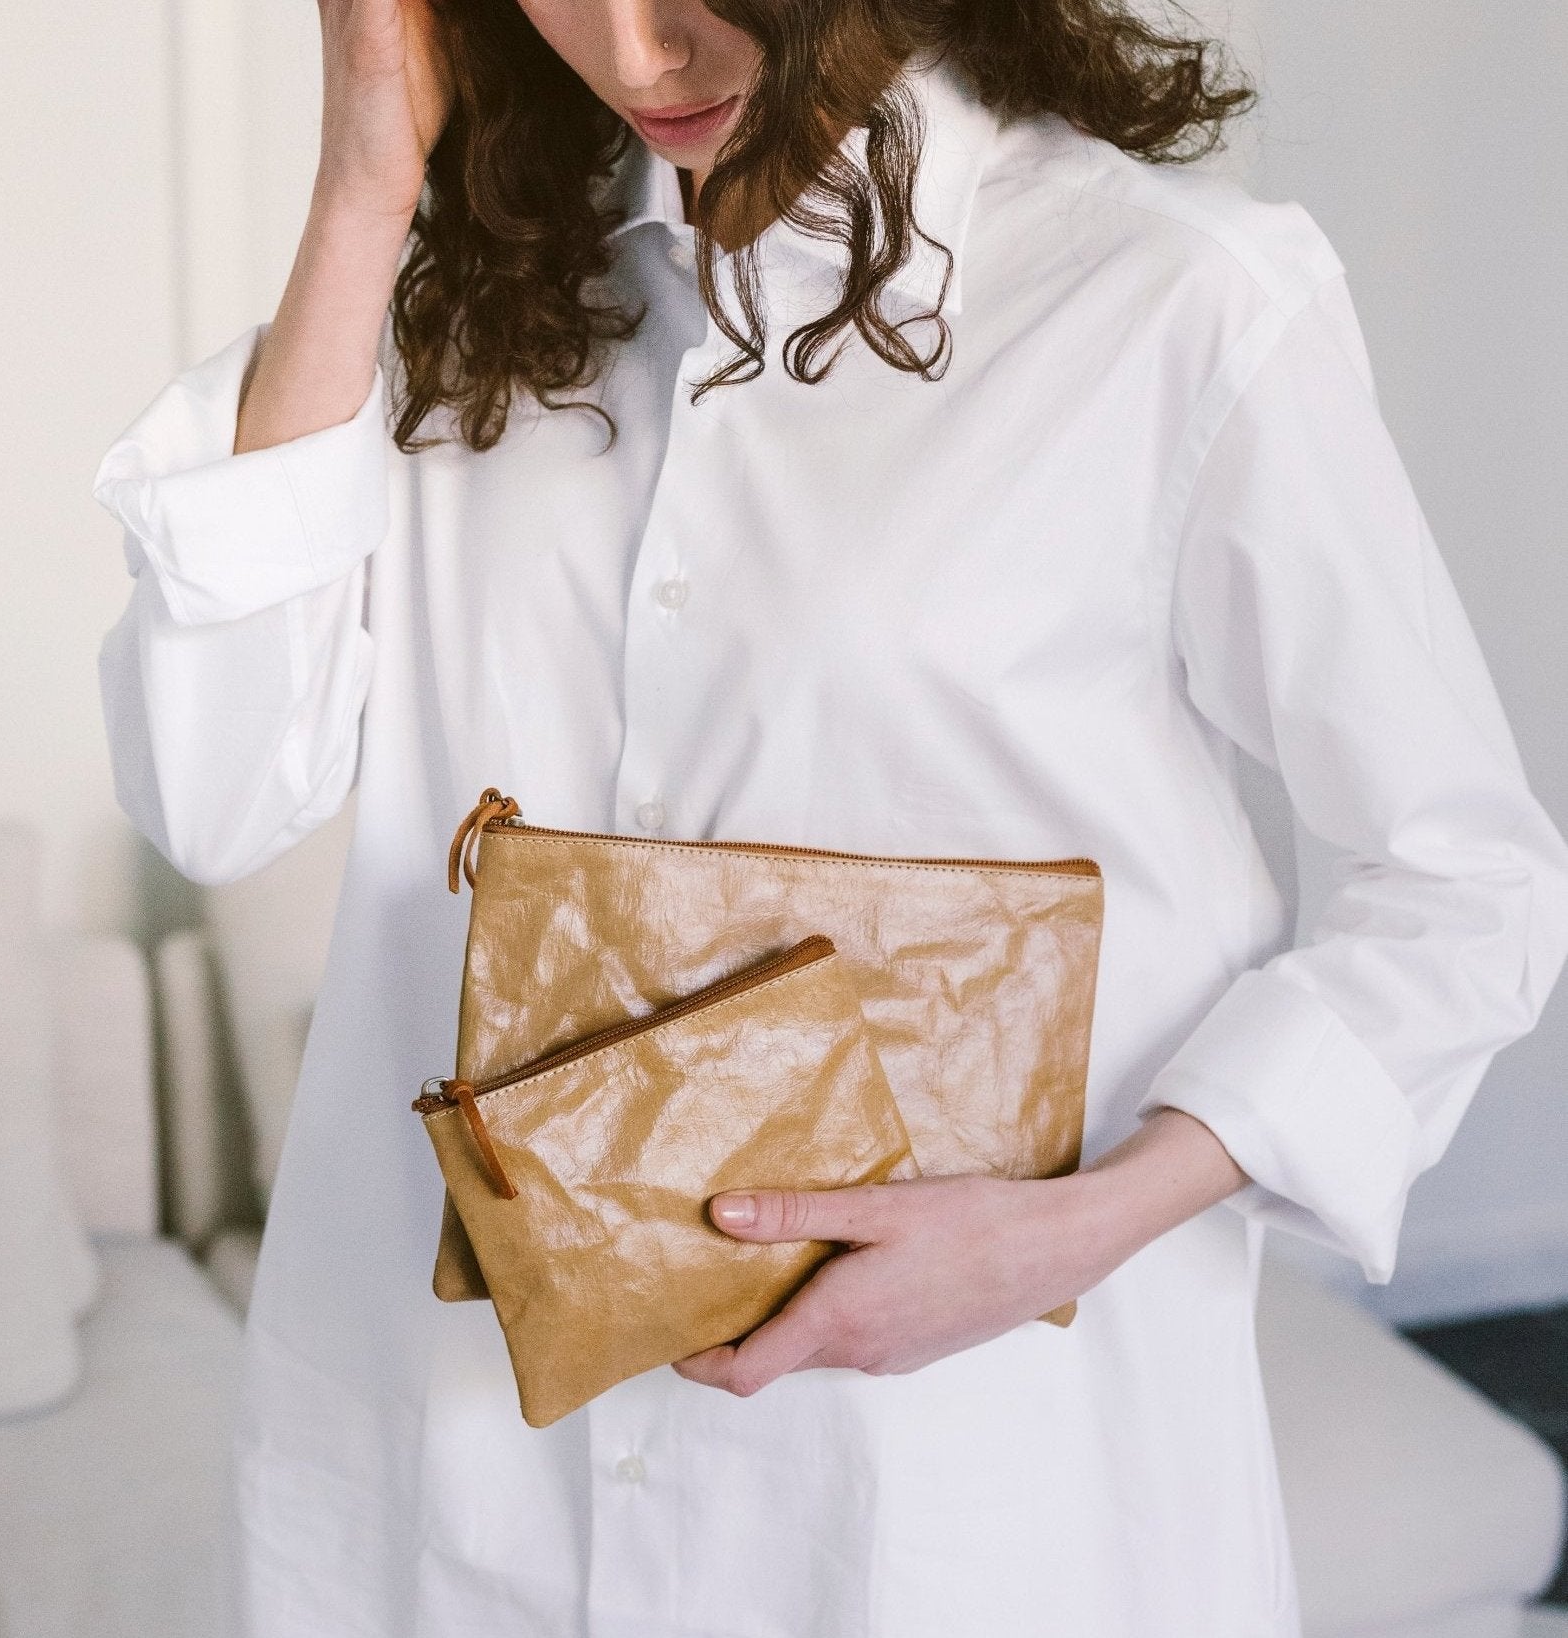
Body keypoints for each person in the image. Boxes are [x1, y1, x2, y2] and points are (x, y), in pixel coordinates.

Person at [90, 0, 1568, 1631]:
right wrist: (364, 179)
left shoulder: (1172, 300)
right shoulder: (455, 316)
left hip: (944, 1497)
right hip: (451, 1494)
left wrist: (1076, 1228)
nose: (636, 52)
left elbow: (1460, 885)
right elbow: (214, 797)